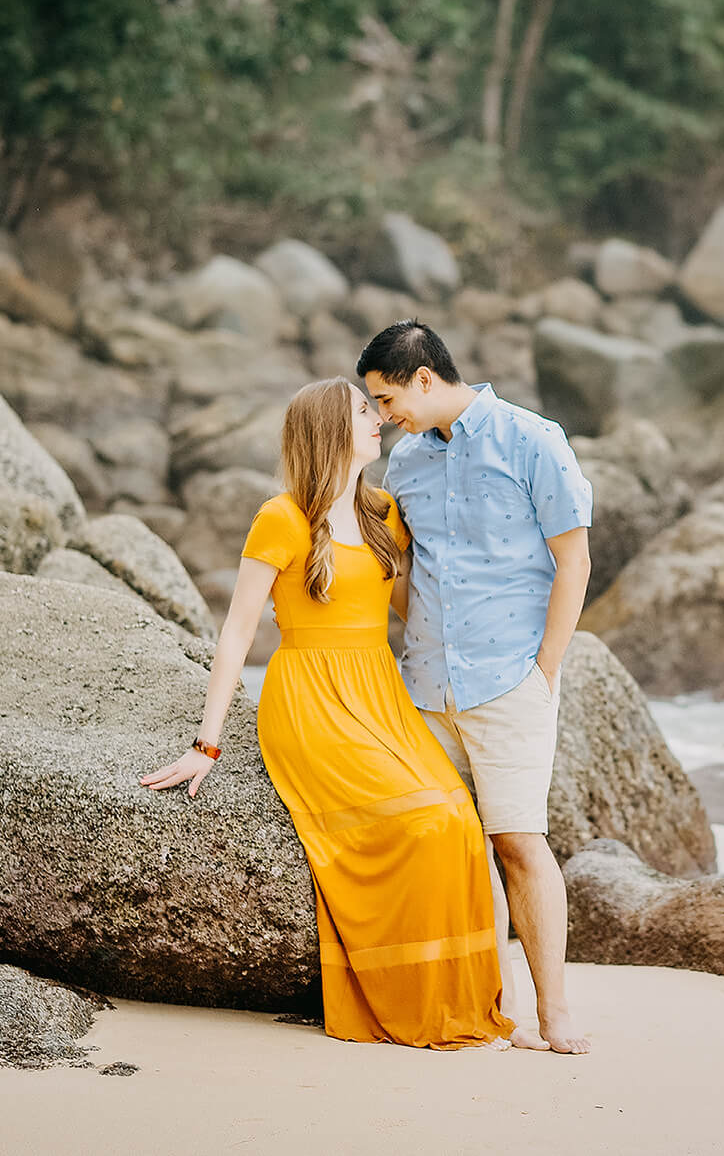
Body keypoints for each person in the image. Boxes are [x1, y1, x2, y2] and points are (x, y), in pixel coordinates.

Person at [140, 376, 540, 1051]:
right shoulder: (283, 516)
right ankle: (416, 1001)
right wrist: (205, 746)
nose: (379, 419)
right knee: (425, 823)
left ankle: (479, 1007)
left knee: (458, 821)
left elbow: (441, 582)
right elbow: (236, 633)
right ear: (329, 431)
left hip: (380, 693)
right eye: (364, 411)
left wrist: (503, 646)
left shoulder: (385, 510)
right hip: (311, 699)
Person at [357, 320, 595, 1055]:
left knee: (519, 843)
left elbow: (574, 560)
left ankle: (555, 1013)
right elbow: (403, 569)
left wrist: (545, 668)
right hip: (426, 686)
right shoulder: (404, 465)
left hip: (509, 682)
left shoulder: (533, 439)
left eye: (387, 397)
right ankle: (492, 1007)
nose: (382, 414)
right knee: (451, 847)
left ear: (425, 379)